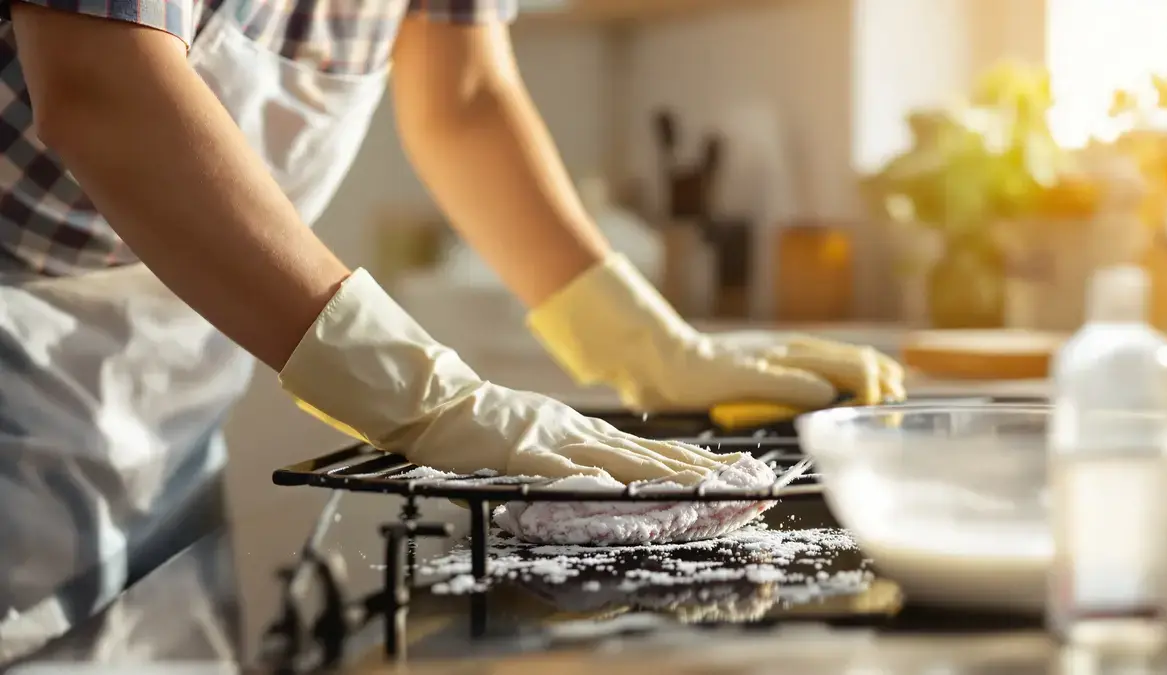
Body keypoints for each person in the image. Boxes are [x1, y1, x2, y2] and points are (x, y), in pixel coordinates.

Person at [0, 0, 906, 663]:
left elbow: (464, 97)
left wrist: (640, 339)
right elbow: (100, 84)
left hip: (183, 347)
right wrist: (425, 397)